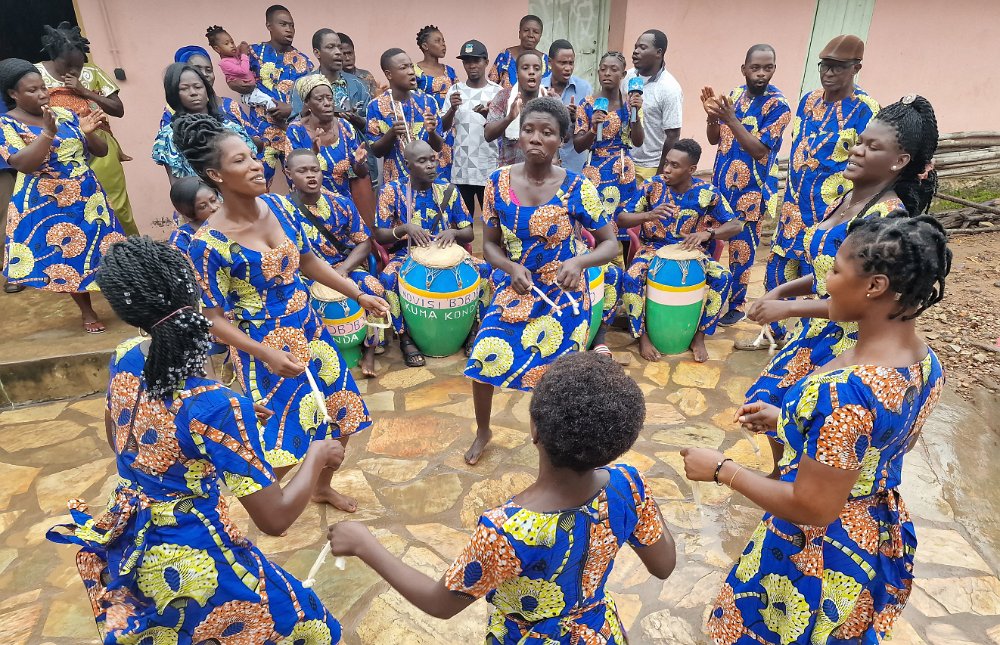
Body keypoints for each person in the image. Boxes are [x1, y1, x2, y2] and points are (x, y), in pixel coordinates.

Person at [47, 237, 344, 643]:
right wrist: (317, 454)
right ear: (193, 293)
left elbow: (121, 437)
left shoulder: (127, 355)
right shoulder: (214, 407)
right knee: (308, 627)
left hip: (133, 538)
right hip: (197, 553)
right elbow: (274, 520)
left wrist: (219, 415)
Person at [682, 213, 950, 644]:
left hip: (819, 548)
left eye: (836, 271)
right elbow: (886, 443)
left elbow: (813, 507)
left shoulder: (846, 391)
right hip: (874, 530)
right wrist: (789, 422)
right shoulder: (925, 362)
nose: (826, 282)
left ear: (875, 285)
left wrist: (721, 469)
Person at [328, 352, 676, 642]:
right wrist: (642, 503)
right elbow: (663, 565)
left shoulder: (506, 530)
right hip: (596, 632)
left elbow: (440, 604)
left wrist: (365, 545)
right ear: (620, 444)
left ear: (535, 429)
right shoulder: (629, 484)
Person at [174, 113, 390, 512]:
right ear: (216, 175)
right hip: (263, 351)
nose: (256, 165)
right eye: (240, 160)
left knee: (341, 411)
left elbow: (308, 261)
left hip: (310, 330)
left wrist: (358, 293)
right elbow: (212, 319)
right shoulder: (206, 245)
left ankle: (321, 487)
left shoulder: (280, 207)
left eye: (252, 155)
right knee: (283, 437)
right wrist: (265, 354)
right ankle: (267, 507)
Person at [743, 96, 938, 407]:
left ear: (899, 161)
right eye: (859, 141)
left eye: (872, 147)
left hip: (848, 341)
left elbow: (863, 301)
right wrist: (780, 291)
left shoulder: (885, 222)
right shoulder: (845, 200)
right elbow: (829, 272)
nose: (857, 150)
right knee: (764, 404)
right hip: (816, 329)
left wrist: (790, 309)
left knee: (793, 414)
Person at [464, 97, 619, 465]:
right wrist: (510, 268)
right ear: (519, 134)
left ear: (561, 140)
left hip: (564, 293)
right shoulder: (497, 182)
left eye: (547, 132)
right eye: (529, 129)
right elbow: (489, 246)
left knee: (554, 379)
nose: (536, 138)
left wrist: (579, 261)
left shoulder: (578, 187)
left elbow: (610, 244)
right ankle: (484, 430)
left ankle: (547, 443)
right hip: (517, 286)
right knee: (483, 355)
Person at [751, 34, 879, 346]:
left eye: (838, 67)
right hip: (792, 211)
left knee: (822, 283)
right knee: (777, 275)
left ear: (856, 68)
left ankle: (810, 348)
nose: (829, 73)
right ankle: (771, 336)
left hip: (829, 217)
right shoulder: (808, 100)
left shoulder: (867, 110)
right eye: (824, 66)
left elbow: (872, 161)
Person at [0, 58, 126, 333]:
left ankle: (126, 302)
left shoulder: (65, 113)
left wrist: (89, 133)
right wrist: (47, 133)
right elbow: (23, 164)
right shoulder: (6, 124)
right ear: (13, 94)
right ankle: (87, 310)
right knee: (68, 256)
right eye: (32, 90)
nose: (42, 94)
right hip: (48, 202)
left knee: (106, 249)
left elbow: (101, 151)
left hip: (88, 195)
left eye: (42, 87)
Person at [618, 139, 742, 363]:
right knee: (630, 277)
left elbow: (736, 225)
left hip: (692, 252)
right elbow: (622, 218)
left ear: (691, 169)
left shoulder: (707, 192)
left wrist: (708, 234)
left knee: (724, 278)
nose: (666, 169)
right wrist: (648, 215)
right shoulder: (651, 186)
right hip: (652, 249)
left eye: (675, 165)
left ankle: (699, 336)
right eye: (666, 163)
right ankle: (642, 336)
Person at [701, 44, 791, 325]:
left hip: (751, 192)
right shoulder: (735, 96)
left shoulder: (779, 106)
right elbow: (714, 139)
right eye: (755, 68)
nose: (761, 73)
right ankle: (705, 295)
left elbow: (760, 151)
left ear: (774, 69)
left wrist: (730, 118)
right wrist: (713, 117)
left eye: (768, 67)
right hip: (720, 188)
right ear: (744, 69)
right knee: (706, 242)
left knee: (741, 252)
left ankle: (737, 305)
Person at [373, 139, 476, 368]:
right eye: (422, 161)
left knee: (486, 271)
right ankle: (405, 338)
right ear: (407, 165)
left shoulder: (448, 190)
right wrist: (404, 229)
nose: (431, 165)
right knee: (388, 279)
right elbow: (380, 235)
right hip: (406, 255)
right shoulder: (392, 191)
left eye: (432, 159)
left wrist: (454, 232)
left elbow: (469, 232)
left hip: (447, 253)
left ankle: (473, 330)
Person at [286, 148, 386, 377]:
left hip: (344, 266)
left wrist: (344, 268)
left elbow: (364, 243)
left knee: (375, 288)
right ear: (289, 174)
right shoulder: (283, 210)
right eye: (302, 171)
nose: (311, 175)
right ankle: (313, 356)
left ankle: (370, 349)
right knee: (294, 304)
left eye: (315, 170)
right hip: (304, 274)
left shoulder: (341, 203)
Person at [36, 21, 138, 236]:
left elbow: (118, 109)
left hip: (99, 144)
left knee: (116, 204)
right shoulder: (35, 74)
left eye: (79, 64)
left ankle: (134, 251)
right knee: (75, 208)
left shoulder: (92, 73)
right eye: (68, 65)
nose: (75, 70)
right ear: (54, 57)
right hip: (59, 151)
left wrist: (85, 92)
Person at [574, 51, 645, 258]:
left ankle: (624, 270)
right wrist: (593, 128)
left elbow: (638, 141)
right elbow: (578, 145)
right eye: (603, 69)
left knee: (624, 226)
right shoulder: (587, 104)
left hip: (623, 172)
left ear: (623, 74)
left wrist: (635, 114)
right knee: (594, 222)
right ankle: (596, 268)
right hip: (595, 170)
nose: (607, 73)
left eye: (613, 69)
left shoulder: (630, 103)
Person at [152, 63, 258, 183]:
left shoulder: (232, 129)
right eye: (184, 88)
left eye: (198, 87)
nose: (193, 92)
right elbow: (177, 185)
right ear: (174, 95)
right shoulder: (170, 135)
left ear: (207, 90)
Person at [441, 39, 503, 215]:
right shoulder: (455, 90)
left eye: (476, 60)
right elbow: (443, 127)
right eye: (467, 61)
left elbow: (506, 129)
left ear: (486, 62)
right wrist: (452, 109)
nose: (472, 65)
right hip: (462, 170)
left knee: (492, 221)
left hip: (490, 168)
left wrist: (488, 116)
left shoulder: (498, 92)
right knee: (463, 224)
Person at [366, 48, 442, 185]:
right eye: (403, 68)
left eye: (411, 66)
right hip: (395, 184)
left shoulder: (428, 102)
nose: (411, 71)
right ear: (389, 74)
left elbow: (438, 146)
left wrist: (432, 132)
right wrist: (391, 134)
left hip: (427, 182)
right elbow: (376, 151)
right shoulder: (375, 106)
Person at [285, 74, 368, 197]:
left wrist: (359, 162)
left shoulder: (344, 127)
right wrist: (313, 152)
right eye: (320, 99)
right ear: (307, 103)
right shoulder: (296, 131)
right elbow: (293, 175)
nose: (327, 103)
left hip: (342, 202)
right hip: (309, 201)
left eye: (330, 98)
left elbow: (361, 173)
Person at [625, 29, 682, 180]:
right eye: (635, 47)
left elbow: (673, 135)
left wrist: (660, 173)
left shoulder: (670, 88)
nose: (636, 51)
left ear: (659, 52)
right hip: (623, 161)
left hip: (650, 167)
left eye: (642, 47)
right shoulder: (627, 76)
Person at [248, 4, 314, 124]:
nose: (289, 29)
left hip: (294, 128)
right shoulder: (254, 53)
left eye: (292, 25)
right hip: (260, 127)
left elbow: (313, 99)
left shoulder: (304, 62)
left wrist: (293, 109)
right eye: (283, 24)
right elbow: (239, 81)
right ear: (269, 26)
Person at [484, 51, 545, 167]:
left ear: (541, 74)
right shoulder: (503, 97)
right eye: (525, 68)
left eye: (536, 69)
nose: (531, 72)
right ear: (517, 73)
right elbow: (488, 134)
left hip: (542, 172)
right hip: (510, 171)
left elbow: (564, 137)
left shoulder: (549, 98)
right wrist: (509, 118)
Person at [541, 39, 592, 174]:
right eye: (562, 63)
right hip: (543, 164)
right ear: (550, 62)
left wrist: (577, 118)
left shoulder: (584, 88)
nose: (568, 68)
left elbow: (592, 129)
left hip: (574, 164)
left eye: (571, 63)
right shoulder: (540, 88)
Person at [204, 24, 275, 110]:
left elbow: (240, 50)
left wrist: (242, 45)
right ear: (217, 49)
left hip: (254, 89)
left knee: (269, 98)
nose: (231, 45)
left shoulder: (233, 56)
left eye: (232, 42)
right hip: (249, 94)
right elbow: (243, 70)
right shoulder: (224, 63)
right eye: (226, 44)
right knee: (270, 102)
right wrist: (244, 54)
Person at [489, 14, 550, 90]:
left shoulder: (546, 61)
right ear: (519, 33)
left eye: (536, 32)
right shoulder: (505, 56)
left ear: (540, 36)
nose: (530, 35)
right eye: (526, 30)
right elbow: (491, 86)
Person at [168, 176, 219, 255]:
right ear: (190, 211)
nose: (214, 208)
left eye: (213, 200)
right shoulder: (181, 239)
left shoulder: (234, 221)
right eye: (203, 206)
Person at [338, 32, 380, 98]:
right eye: (343, 54)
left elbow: (374, 100)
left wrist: (379, 96)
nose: (348, 58)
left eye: (350, 53)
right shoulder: (334, 79)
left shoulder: (366, 76)